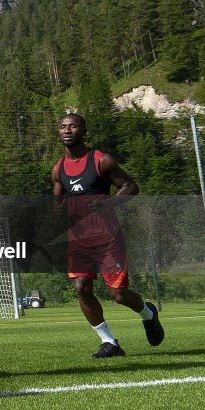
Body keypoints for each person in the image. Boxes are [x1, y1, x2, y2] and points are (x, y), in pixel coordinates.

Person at [52, 113, 164, 357]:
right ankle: (109, 343)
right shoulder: (59, 168)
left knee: (119, 295)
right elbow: (58, 198)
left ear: (84, 130)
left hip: (107, 236)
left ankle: (148, 313)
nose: (67, 130)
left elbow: (131, 186)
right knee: (81, 287)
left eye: (73, 126)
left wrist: (107, 204)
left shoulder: (101, 160)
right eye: (62, 127)